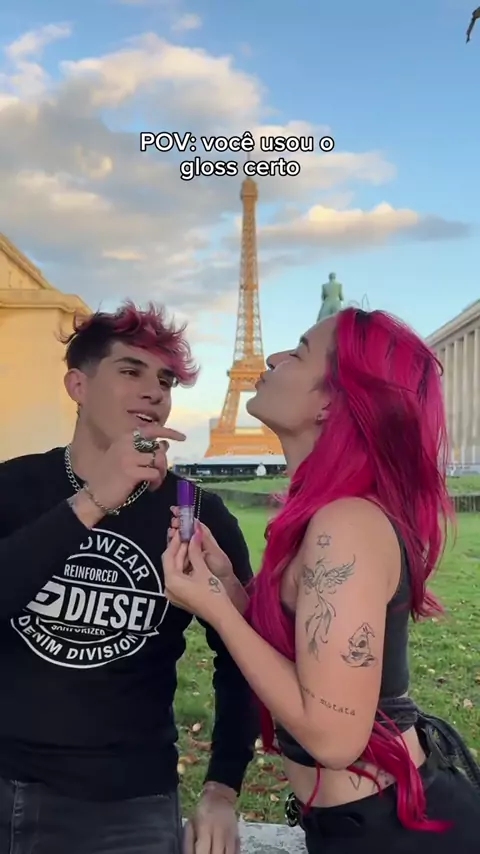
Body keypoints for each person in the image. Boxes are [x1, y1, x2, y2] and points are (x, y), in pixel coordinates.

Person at [162, 307, 480, 854]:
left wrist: (214, 609)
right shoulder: (327, 512)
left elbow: (334, 737)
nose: (273, 358)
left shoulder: (346, 523)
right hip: (369, 822)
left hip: (395, 832)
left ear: (331, 401)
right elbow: (307, 656)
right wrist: (231, 591)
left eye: (299, 352)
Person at [0, 302, 258, 854]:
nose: (153, 392)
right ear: (78, 385)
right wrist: (94, 501)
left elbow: (243, 659)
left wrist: (222, 788)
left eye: (164, 380)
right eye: (130, 371)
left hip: (127, 805)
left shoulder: (197, 515)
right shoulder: (12, 488)